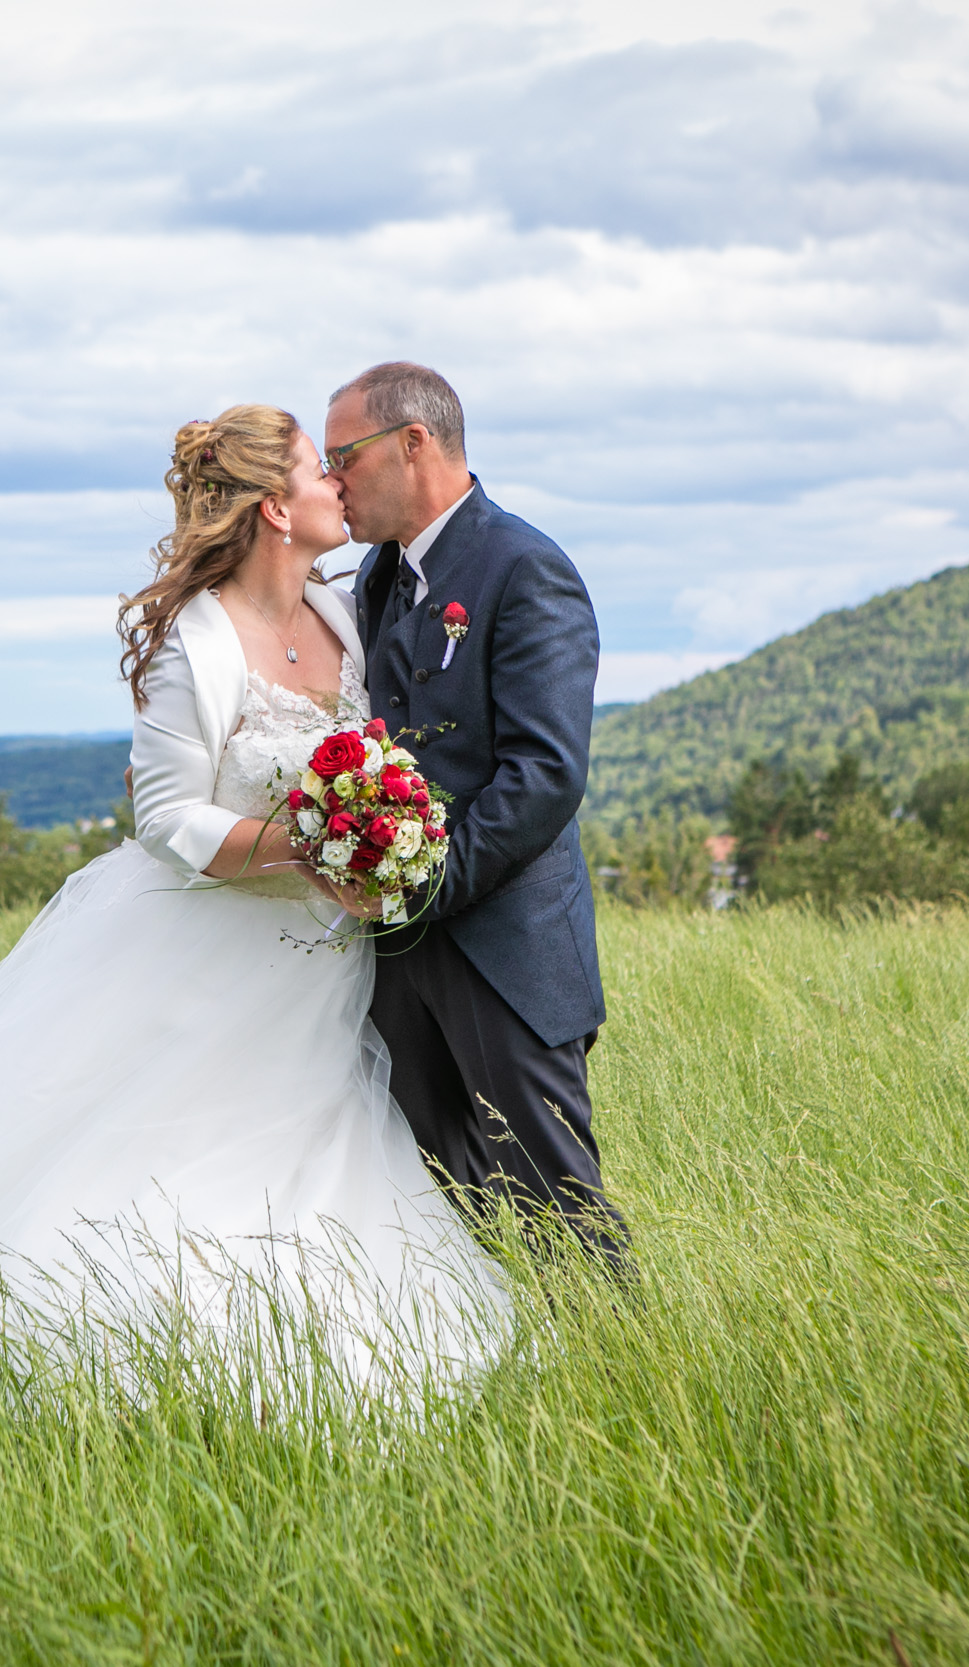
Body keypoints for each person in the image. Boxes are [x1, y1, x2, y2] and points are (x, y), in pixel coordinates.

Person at [0, 404, 509, 1387]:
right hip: (209, 947)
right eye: (320, 470)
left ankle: (310, 1354)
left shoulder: (340, 616)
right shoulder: (202, 635)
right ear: (275, 507)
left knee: (313, 1153)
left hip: (319, 963)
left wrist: (370, 841)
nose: (336, 486)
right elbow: (163, 814)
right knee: (167, 1159)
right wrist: (302, 848)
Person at [324, 362, 632, 1276]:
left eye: (344, 455)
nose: (332, 479)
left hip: (508, 949)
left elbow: (545, 775)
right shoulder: (376, 580)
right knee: (439, 1208)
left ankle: (619, 1378)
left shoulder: (525, 567)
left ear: (414, 442)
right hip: (394, 959)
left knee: (556, 1208)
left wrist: (425, 883)